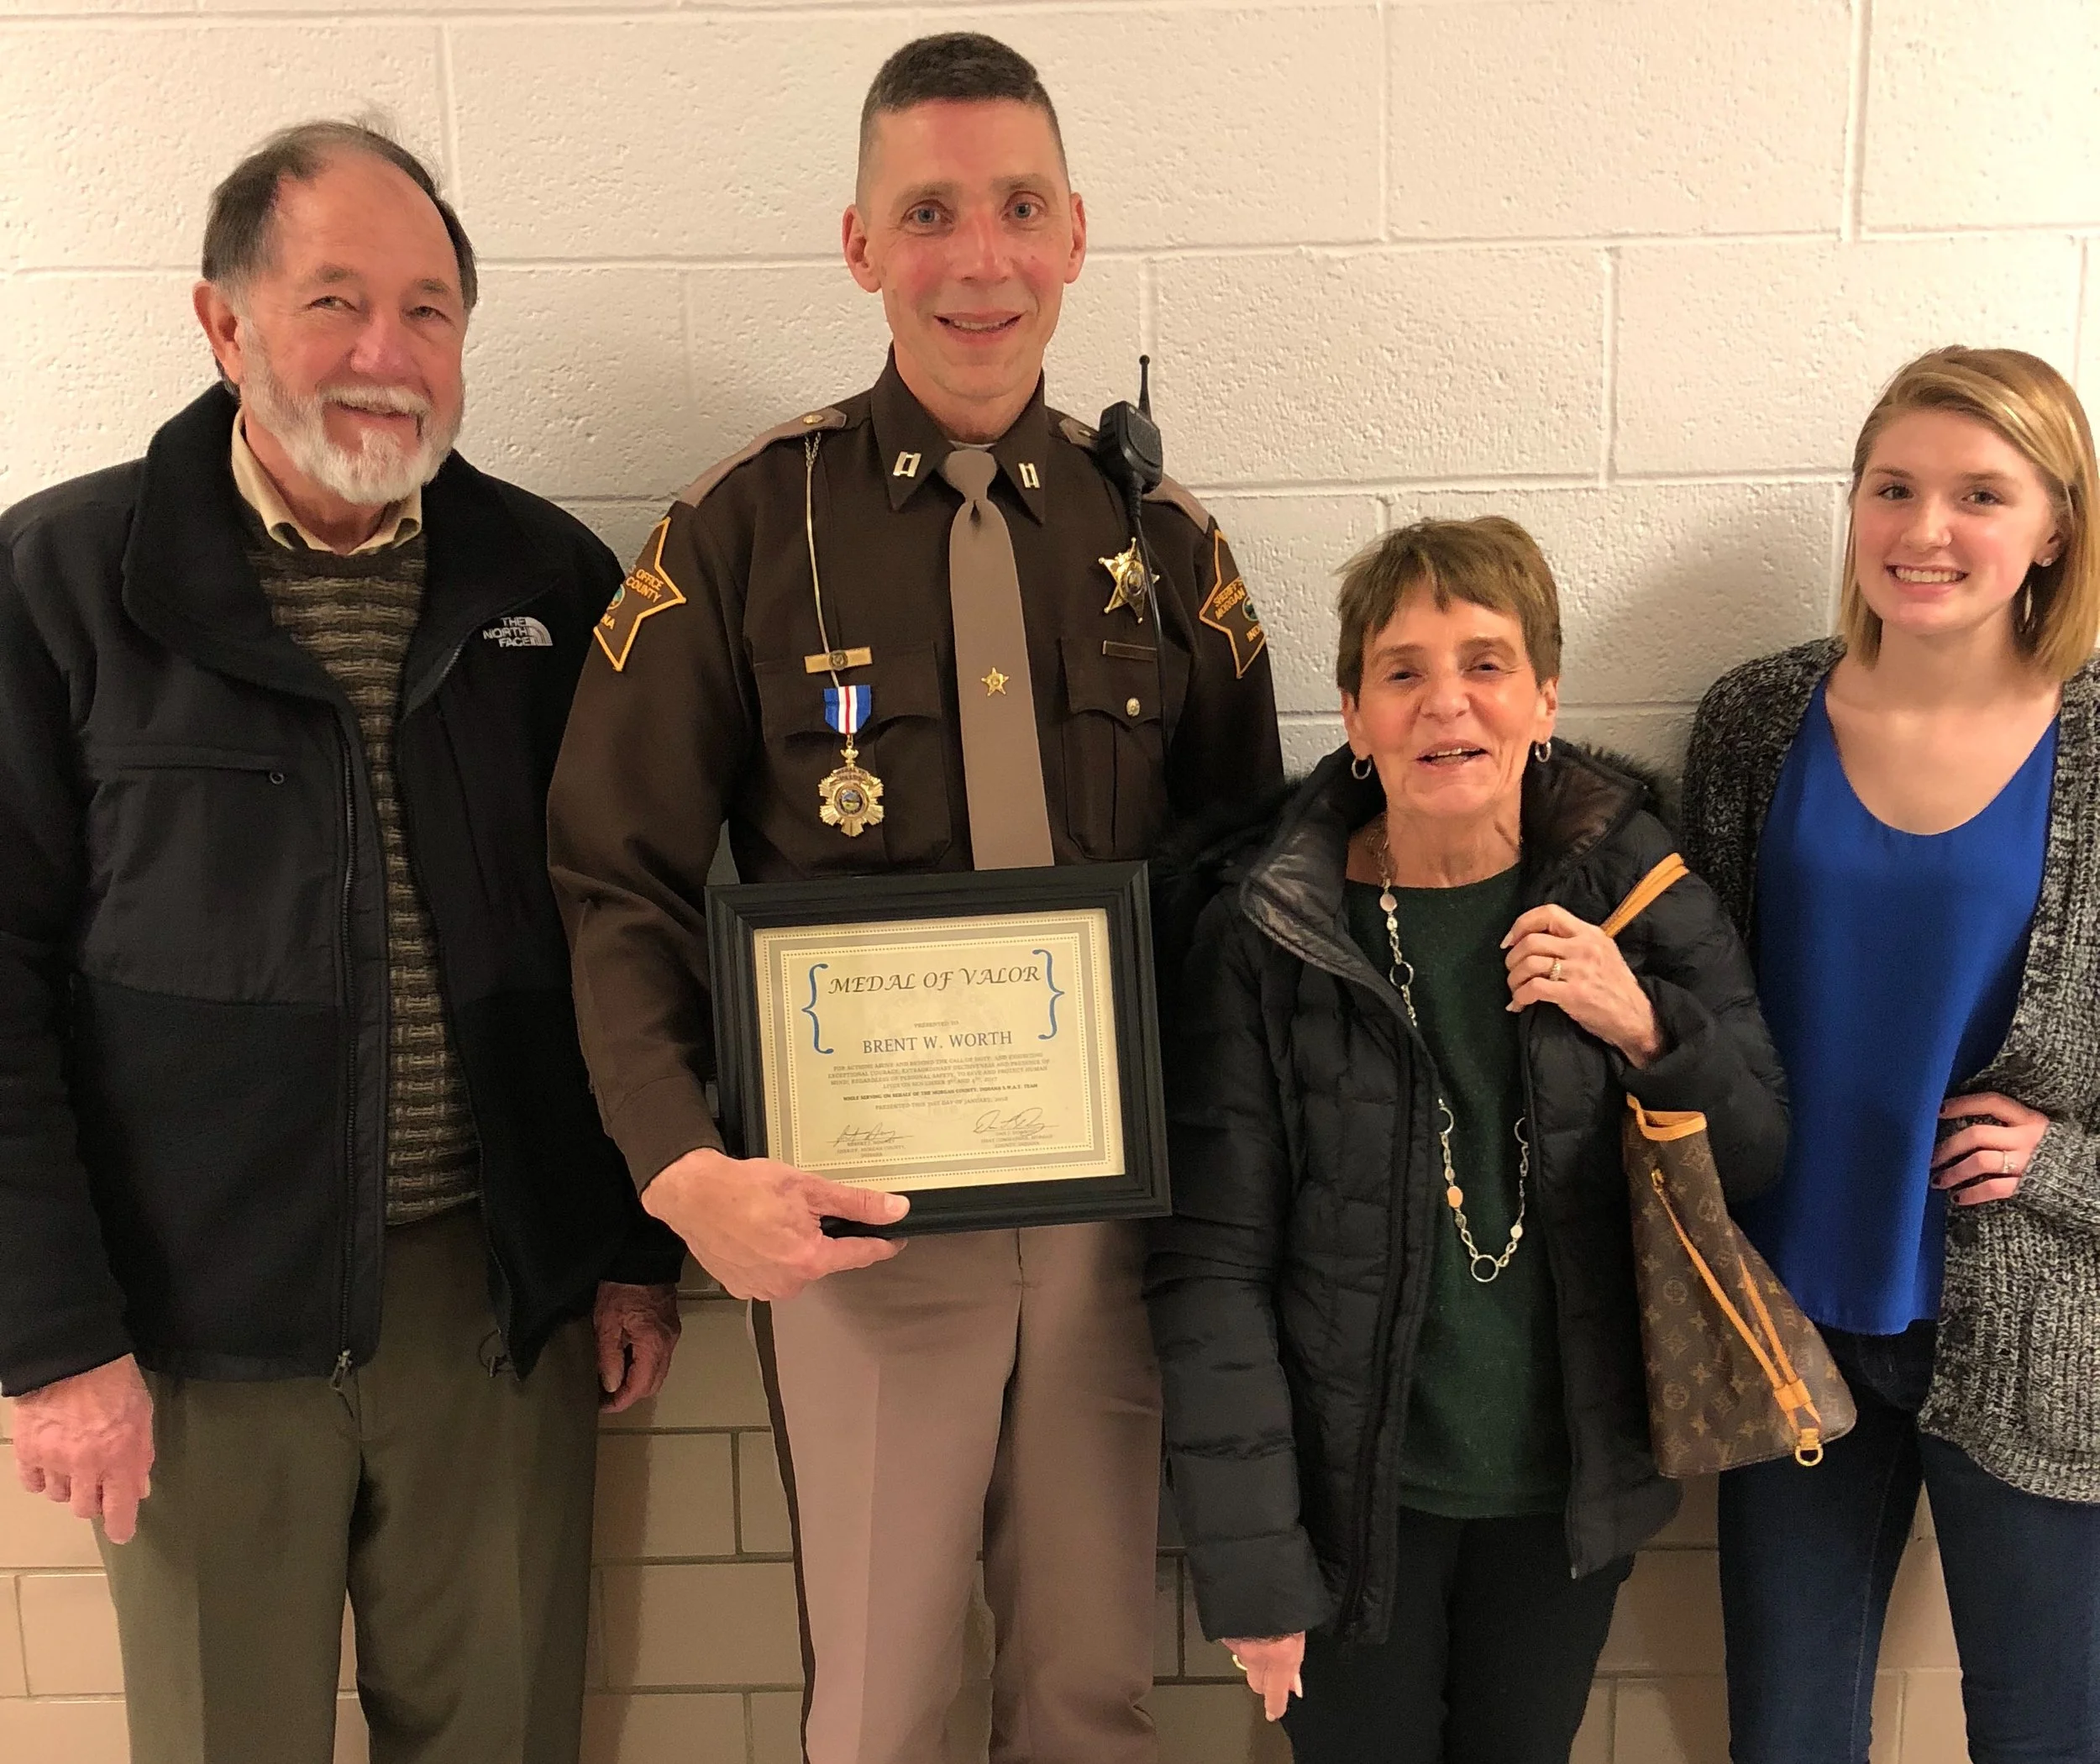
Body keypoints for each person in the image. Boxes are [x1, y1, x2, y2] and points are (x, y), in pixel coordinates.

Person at [547, 31, 1284, 1764]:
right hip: (856, 1232)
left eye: (1017, 207)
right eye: (928, 211)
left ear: (1074, 234)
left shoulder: (1162, 544)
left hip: (1114, 1233)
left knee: (1092, 1693)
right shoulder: (740, 531)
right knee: (876, 1710)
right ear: (860, 244)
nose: (978, 257)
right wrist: (677, 1168)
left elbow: (1252, 886)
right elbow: (613, 878)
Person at [0, 121, 685, 1764]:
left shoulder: (550, 581)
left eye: (430, 311)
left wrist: (619, 1249)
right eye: (333, 303)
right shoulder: (64, 585)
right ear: (222, 325)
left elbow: (614, 924)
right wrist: (53, 1340)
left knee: (501, 1735)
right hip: (194, 1327)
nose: (387, 357)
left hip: (493, 1316)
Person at [1148, 517, 1788, 1764]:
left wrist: (1646, 1020)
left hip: (1564, 1496)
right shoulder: (1268, 927)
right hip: (1350, 1510)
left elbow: (1759, 1152)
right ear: (1353, 713)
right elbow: (1209, 1266)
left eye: (1487, 664)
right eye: (1404, 671)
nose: (1449, 704)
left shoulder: (1639, 893)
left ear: (1545, 698)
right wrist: (1257, 1565)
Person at [1683, 346, 2100, 1764]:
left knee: (2046, 1729)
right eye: (1895, 488)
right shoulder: (1754, 721)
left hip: (2034, 1327)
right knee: (1788, 1731)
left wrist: (2073, 1165)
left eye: (1981, 494)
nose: (1926, 531)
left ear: (2055, 528)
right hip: (1791, 1312)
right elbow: (1707, 1011)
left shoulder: (2099, 747)